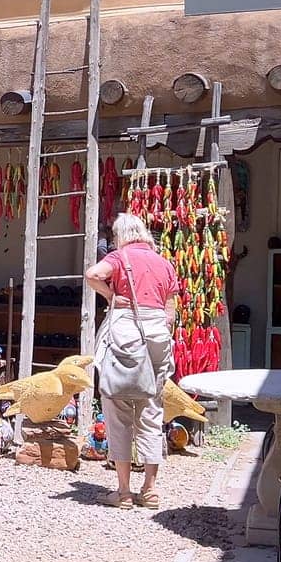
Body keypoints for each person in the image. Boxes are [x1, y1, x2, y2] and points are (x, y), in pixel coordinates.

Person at [84, 212, 178, 510]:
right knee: (151, 410)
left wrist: (111, 296)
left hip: (127, 330)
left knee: (119, 408)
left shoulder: (119, 257)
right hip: (158, 334)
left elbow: (91, 275)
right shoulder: (165, 263)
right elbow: (170, 310)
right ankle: (149, 490)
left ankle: (123, 492)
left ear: (120, 235)